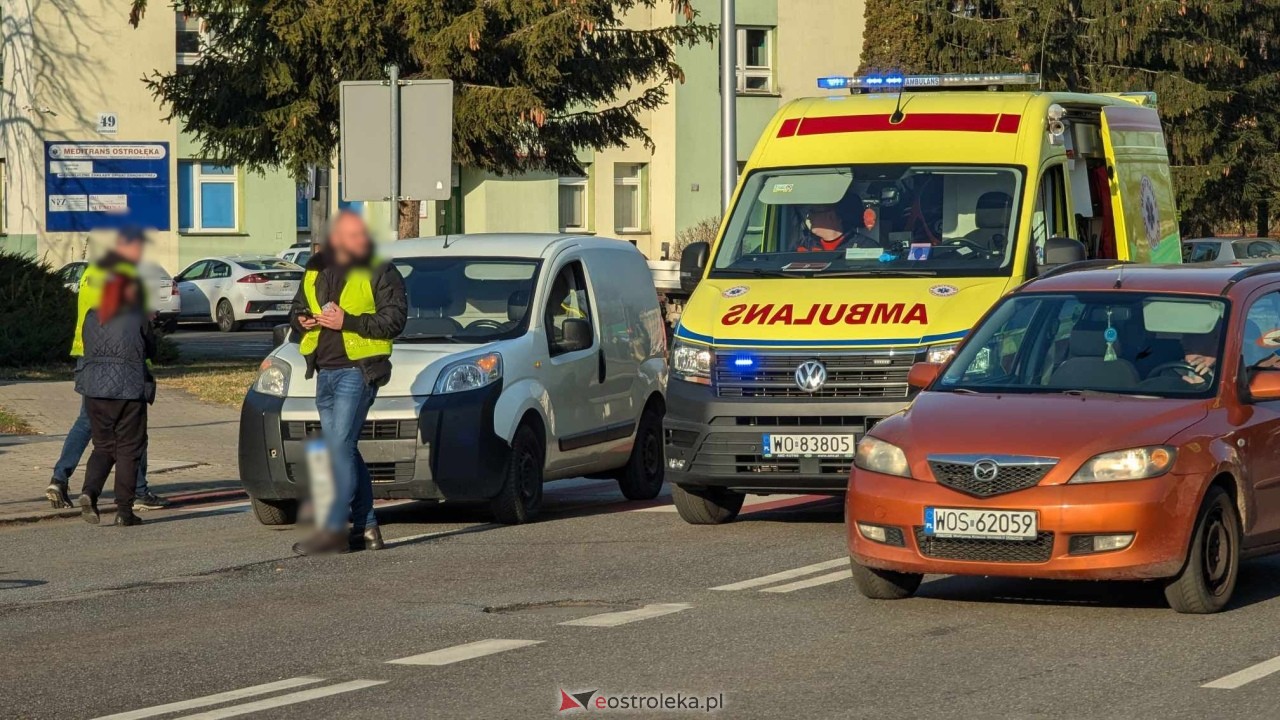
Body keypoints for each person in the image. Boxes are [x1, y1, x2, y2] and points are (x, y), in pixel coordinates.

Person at [288, 211, 407, 555]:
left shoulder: (379, 269)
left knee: (338, 449)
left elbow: (395, 320)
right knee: (343, 449)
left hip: (358, 370)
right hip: (323, 370)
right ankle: (368, 528)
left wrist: (347, 321)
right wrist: (302, 321)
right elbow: (296, 309)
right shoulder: (315, 267)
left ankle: (333, 530)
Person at [45, 228, 170, 512]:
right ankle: (137, 491)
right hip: (121, 361)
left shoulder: (91, 273)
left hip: (89, 356)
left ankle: (60, 478)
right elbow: (138, 323)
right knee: (132, 431)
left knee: (89, 421)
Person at [75, 271, 156, 526]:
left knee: (103, 446)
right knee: (129, 449)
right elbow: (151, 350)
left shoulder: (91, 316)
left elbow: (89, 347)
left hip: (94, 390)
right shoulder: (137, 317)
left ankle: (89, 492)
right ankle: (124, 511)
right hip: (129, 390)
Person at [796, 192, 878, 252]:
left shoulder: (865, 247)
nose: (809, 217)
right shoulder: (804, 245)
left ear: (831, 215)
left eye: (813, 212)